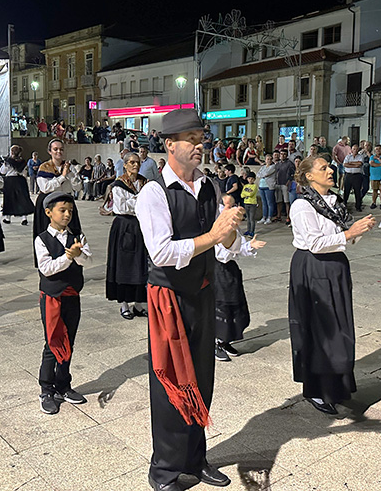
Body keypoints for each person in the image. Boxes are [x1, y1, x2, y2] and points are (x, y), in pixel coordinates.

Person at [136, 108, 244, 491]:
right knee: (170, 385)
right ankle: (164, 470)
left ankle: (196, 459)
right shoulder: (153, 192)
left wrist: (230, 230)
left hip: (202, 293)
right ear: (169, 145)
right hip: (169, 299)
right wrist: (215, 236)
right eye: (192, 140)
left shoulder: (211, 187)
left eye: (202, 138)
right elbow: (162, 252)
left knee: (201, 380)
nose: (200, 146)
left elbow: (225, 248)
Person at [289, 154, 375, 415]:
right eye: (323, 168)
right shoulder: (302, 206)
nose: (330, 171)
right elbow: (315, 243)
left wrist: (359, 231)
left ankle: (337, 384)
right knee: (319, 327)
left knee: (339, 326)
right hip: (313, 266)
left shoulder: (335, 201)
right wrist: (349, 233)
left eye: (330, 167)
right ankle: (317, 389)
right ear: (308, 176)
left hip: (335, 266)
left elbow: (344, 238)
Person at [35, 192, 92, 414]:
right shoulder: (42, 239)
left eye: (70, 210)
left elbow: (88, 260)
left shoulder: (77, 236)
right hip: (51, 299)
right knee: (53, 343)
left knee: (70, 340)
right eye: (62, 210)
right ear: (49, 212)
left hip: (71, 297)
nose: (67, 214)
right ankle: (46, 390)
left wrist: (77, 255)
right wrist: (68, 257)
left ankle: (63, 384)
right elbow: (46, 268)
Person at [214, 193, 266, 362]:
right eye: (227, 203)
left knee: (234, 305)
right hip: (217, 269)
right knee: (220, 305)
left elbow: (239, 246)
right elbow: (220, 252)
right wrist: (234, 248)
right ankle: (215, 341)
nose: (231, 205)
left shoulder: (233, 224)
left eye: (233, 203)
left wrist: (249, 246)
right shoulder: (217, 222)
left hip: (231, 269)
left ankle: (225, 340)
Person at [106, 152, 149, 320]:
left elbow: (149, 204)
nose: (135, 165)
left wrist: (136, 202)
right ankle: (124, 304)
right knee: (124, 266)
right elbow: (121, 207)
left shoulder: (144, 182)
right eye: (131, 162)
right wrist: (139, 200)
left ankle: (139, 304)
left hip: (141, 227)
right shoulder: (119, 184)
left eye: (137, 162)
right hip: (124, 226)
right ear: (124, 164)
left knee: (140, 265)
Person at [33, 139, 83, 263]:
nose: (58, 152)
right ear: (50, 151)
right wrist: (62, 176)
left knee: (72, 230)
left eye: (61, 149)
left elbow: (78, 187)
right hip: (49, 203)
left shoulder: (69, 166)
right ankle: (48, 261)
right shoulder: (44, 167)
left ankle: (72, 257)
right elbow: (45, 188)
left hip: (66, 201)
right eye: (55, 149)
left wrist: (70, 175)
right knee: (48, 233)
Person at [0, 145, 34, 224]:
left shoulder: (8, 161)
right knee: (22, 199)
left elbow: (2, 171)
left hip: (10, 181)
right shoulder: (23, 162)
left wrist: (4, 163)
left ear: (11, 152)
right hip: (20, 180)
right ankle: (24, 218)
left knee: (9, 199)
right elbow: (24, 172)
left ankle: (7, 218)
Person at [342, 143, 366, 212]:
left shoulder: (360, 156)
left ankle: (358, 206)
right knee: (346, 191)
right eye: (354, 149)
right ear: (351, 150)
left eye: (356, 149)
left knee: (357, 191)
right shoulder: (348, 157)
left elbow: (359, 164)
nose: (355, 150)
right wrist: (354, 163)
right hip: (348, 175)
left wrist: (350, 163)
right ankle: (344, 204)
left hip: (357, 176)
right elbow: (345, 164)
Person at [274, 148, 296, 224]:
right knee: (279, 201)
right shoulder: (277, 164)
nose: (282, 156)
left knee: (287, 201)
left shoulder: (290, 163)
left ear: (286, 155)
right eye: (281, 154)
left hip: (285, 184)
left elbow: (293, 174)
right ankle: (278, 215)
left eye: (284, 154)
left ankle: (288, 216)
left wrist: (288, 181)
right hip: (278, 183)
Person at [257, 153, 277, 225]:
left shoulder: (273, 167)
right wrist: (262, 174)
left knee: (270, 203)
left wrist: (263, 175)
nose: (269, 160)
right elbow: (258, 174)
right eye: (268, 159)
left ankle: (269, 217)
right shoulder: (263, 167)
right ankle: (264, 217)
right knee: (264, 203)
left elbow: (266, 174)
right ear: (265, 160)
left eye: (270, 159)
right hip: (261, 186)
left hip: (269, 186)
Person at [368, 144, 381, 209]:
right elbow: (372, 164)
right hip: (374, 177)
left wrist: (378, 159)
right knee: (374, 190)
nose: (378, 150)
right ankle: (374, 202)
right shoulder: (372, 157)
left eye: (379, 149)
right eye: (376, 149)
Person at [241, 172, 259, 237]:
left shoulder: (255, 186)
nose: (250, 180)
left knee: (252, 218)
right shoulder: (245, 186)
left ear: (254, 179)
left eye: (252, 179)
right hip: (246, 203)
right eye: (249, 178)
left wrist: (246, 194)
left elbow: (251, 194)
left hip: (252, 203)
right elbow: (242, 194)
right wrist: (246, 194)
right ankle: (248, 230)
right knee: (248, 218)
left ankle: (252, 231)